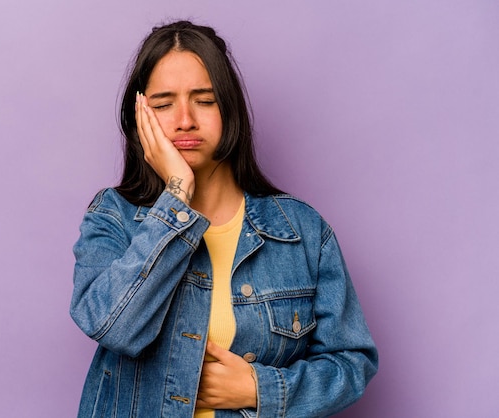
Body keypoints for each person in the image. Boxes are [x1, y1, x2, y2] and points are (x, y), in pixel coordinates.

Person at [70, 20, 378, 418]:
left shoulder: (302, 231)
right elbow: (114, 327)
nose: (184, 121)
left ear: (229, 108)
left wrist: (259, 388)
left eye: (204, 99)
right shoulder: (113, 217)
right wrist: (177, 193)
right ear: (140, 119)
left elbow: (352, 362)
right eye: (163, 104)